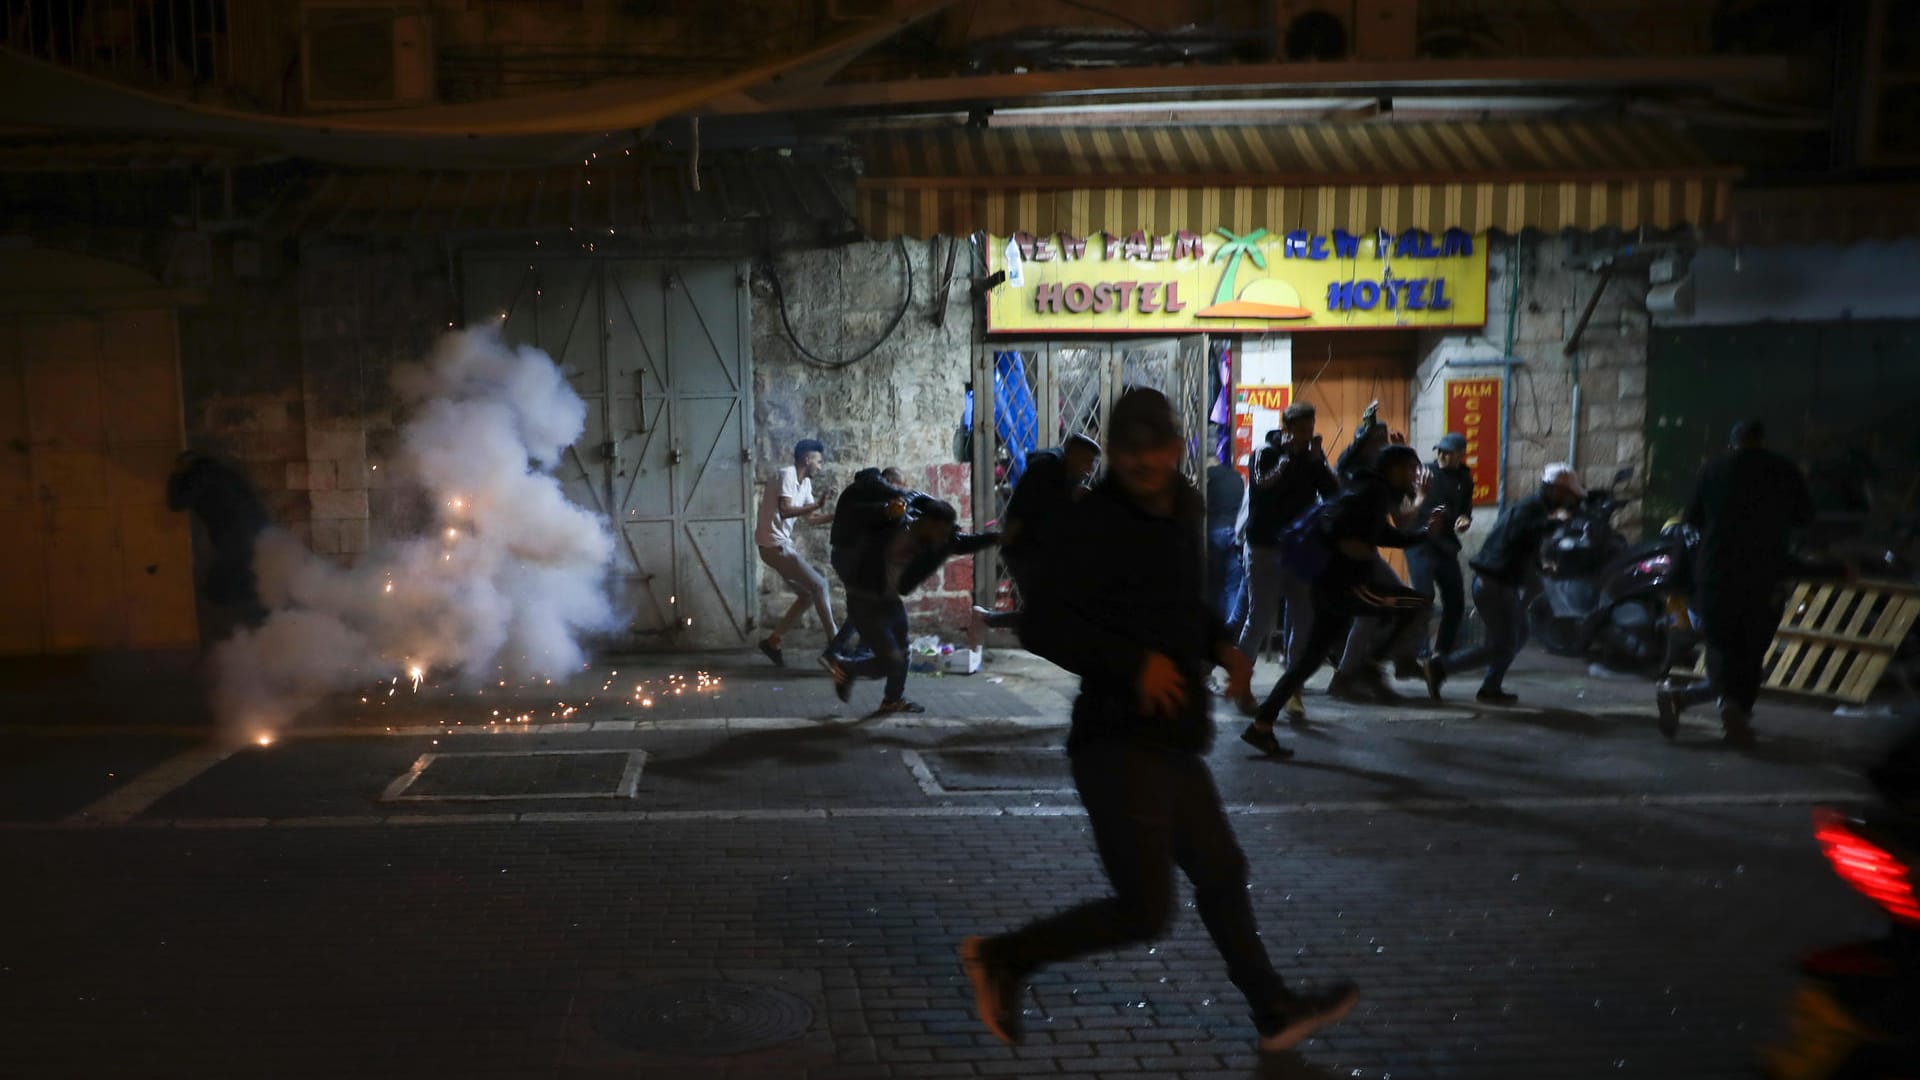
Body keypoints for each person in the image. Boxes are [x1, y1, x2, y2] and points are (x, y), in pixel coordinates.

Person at [959, 388, 1359, 1053]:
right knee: (1144, 910)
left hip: (1173, 738)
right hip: (1116, 741)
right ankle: (1004, 957)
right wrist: (1132, 664)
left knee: (1222, 871)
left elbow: (1179, 608)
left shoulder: (1181, 511)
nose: (1144, 463)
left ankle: (1274, 1012)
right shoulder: (1092, 524)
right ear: (1113, 454)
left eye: (1156, 449)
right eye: (1129, 451)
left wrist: (1220, 645)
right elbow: (1044, 622)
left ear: (1176, 449)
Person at [1242, 444, 1439, 754]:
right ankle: (1370, 664)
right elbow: (1365, 532)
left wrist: (1425, 531)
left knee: (1307, 661)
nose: (1414, 477)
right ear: (1395, 469)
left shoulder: (1365, 488)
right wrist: (1351, 546)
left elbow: (1381, 534)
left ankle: (1261, 724)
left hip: (1328, 585)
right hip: (1348, 586)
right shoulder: (1375, 492)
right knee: (1419, 604)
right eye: (1411, 470)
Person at [1656, 421, 1815, 746]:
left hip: (1715, 573)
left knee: (1721, 646)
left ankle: (1714, 704)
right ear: (1762, 440)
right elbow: (1804, 517)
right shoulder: (1783, 469)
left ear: (1733, 442)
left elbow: (1693, 519)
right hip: (1763, 574)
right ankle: (1735, 712)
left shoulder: (1712, 469)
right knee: (1751, 650)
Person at [1421, 463, 1585, 706]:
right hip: (1494, 585)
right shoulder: (1531, 510)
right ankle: (1441, 668)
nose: (1571, 502)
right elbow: (1520, 533)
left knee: (1518, 635)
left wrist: (1542, 565)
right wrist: (1553, 522)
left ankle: (1490, 686)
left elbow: (1523, 546)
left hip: (1499, 584)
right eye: (1569, 495)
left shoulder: (1536, 509)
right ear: (1556, 490)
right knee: (1503, 645)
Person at [829, 479, 997, 714]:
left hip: (889, 600)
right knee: (891, 661)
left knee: (904, 653)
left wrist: (997, 537)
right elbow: (862, 508)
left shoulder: (934, 541)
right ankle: (846, 667)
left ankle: (892, 700)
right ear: (928, 522)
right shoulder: (892, 524)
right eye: (941, 530)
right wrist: (889, 506)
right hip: (864, 599)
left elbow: (963, 543)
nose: (943, 536)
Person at [1236, 403, 1339, 723]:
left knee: (1303, 619)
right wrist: (1287, 460)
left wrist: (1318, 460)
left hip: (1299, 551)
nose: (1306, 436)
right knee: (1261, 618)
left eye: (1310, 430)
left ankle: (1293, 689)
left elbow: (1334, 494)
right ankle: (1241, 685)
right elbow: (1263, 490)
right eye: (1301, 430)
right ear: (1287, 427)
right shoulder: (1265, 453)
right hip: (1265, 547)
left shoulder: (1311, 459)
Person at [974, 433, 1100, 632]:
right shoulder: (1044, 469)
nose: (1090, 469)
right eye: (1087, 461)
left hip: (1040, 552)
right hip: (1025, 551)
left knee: (1050, 613)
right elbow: (1028, 508)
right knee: (1047, 614)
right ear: (1072, 454)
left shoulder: (1067, 475)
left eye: (1093, 463)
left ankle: (987, 618)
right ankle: (986, 618)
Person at [166, 450, 270, 636]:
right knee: (248, 585)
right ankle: (262, 632)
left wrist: (175, 474)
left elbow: (177, 503)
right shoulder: (224, 473)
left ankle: (253, 633)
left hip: (235, 540)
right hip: (254, 535)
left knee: (224, 590)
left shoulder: (199, 475)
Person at [754, 438, 836, 667]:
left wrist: (834, 515)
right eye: (818, 461)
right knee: (820, 585)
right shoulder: (787, 474)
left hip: (779, 547)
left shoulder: (806, 485)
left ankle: (773, 641)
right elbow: (786, 510)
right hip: (774, 546)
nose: (820, 466)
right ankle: (835, 648)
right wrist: (818, 505)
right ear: (807, 459)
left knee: (808, 596)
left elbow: (810, 519)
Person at [1407, 432, 1476, 660]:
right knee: (1423, 597)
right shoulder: (1423, 472)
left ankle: (1442, 652)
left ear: (1460, 455)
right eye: (1441, 452)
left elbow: (1465, 510)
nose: (1444, 456)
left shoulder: (1464, 479)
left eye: (1449, 453)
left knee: (1455, 600)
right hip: (1420, 541)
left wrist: (1464, 519)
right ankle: (1420, 649)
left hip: (1445, 544)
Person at [1205, 425, 1249, 639]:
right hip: (1236, 532)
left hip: (1214, 532)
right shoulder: (1235, 476)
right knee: (1232, 585)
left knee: (1215, 584)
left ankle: (1216, 632)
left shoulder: (1208, 477)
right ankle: (1231, 635)